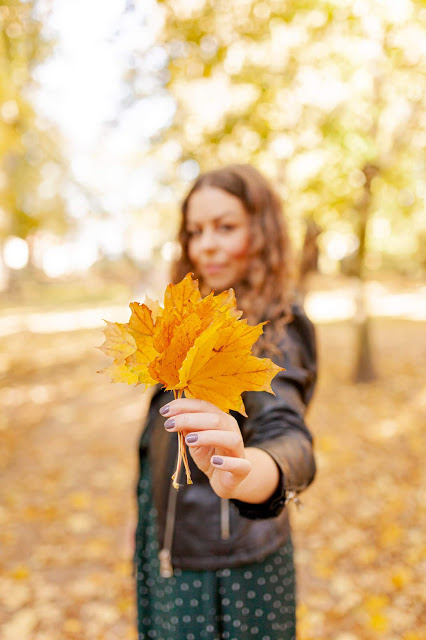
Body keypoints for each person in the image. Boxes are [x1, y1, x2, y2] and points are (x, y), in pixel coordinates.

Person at [134, 164, 317, 640]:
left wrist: (249, 470)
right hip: (174, 548)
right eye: (195, 231)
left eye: (226, 227)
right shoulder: (199, 323)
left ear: (262, 232)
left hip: (231, 568)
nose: (206, 245)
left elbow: (288, 438)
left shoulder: (275, 329)